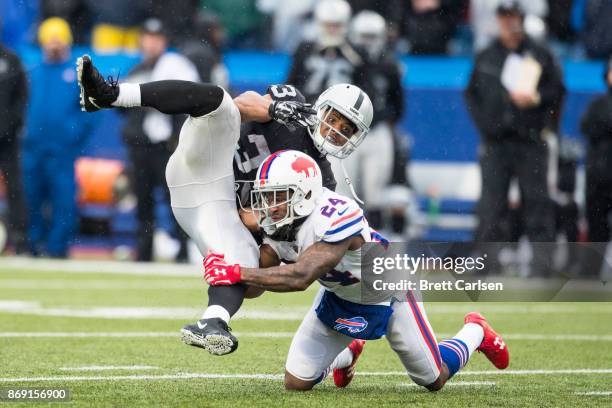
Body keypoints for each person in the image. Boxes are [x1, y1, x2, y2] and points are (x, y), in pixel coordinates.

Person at [76, 55, 371, 354]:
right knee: (219, 102)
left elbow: (264, 266)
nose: (335, 131)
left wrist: (250, 259)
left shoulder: (323, 184)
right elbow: (243, 104)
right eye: (333, 119)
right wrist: (273, 108)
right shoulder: (292, 105)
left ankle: (213, 322)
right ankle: (111, 95)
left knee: (243, 260)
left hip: (218, 211)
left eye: (346, 130)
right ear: (320, 108)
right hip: (206, 163)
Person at [202, 149, 510, 391]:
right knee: (297, 381)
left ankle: (475, 332)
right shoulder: (277, 226)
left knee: (433, 378)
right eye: (266, 196)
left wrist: (236, 272)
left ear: (305, 194)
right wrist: (235, 259)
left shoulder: (333, 216)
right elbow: (256, 288)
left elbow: (301, 277)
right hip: (340, 293)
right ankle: (349, 350)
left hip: (389, 288)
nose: (269, 206)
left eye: (278, 196)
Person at [464, 1, 565, 276]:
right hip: (496, 142)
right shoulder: (487, 55)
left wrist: (538, 102)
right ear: (498, 19)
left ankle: (543, 267)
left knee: (537, 202)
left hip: (530, 140)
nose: (510, 22)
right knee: (491, 204)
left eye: (514, 16)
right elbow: (471, 95)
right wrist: (487, 126)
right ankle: (485, 263)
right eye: (505, 16)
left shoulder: (540, 54)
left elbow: (557, 91)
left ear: (521, 17)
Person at [120, 18, 199, 262]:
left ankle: (183, 251)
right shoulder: (136, 70)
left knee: (175, 199)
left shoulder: (175, 67)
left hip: (167, 146)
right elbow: (122, 109)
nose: (152, 43)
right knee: (142, 200)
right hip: (141, 146)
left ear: (164, 42)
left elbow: (188, 101)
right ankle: (143, 251)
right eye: (148, 37)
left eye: (157, 38)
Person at [22, 17, 93, 257]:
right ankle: (32, 245)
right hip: (33, 147)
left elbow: (89, 114)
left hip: (61, 149)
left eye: (57, 39)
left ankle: (57, 248)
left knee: (63, 200)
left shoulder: (76, 75)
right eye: (49, 39)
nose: (53, 45)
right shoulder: (33, 73)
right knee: (31, 197)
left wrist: (73, 137)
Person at [330, 10, 403, 230]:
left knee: (376, 193)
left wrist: (382, 119)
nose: (367, 43)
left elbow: (398, 105)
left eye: (372, 37)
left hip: (376, 131)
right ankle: (343, 244)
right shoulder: (343, 62)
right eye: (364, 36)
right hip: (347, 131)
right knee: (342, 191)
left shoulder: (389, 65)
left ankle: (373, 247)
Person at [286, 0, 367, 102]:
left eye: (337, 25)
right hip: (307, 108)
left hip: (344, 111)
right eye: (328, 25)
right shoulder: (305, 48)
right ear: (319, 23)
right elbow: (291, 84)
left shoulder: (357, 52)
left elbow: (365, 88)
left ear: (346, 24)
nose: (332, 30)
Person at [580, 58, 612, 278]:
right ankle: (590, 274)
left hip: (600, 171)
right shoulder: (597, 104)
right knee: (597, 227)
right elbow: (587, 126)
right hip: (600, 176)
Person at [0, 39, 28, 254]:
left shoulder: (11, 60)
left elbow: (22, 97)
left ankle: (19, 238)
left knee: (15, 188)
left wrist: (11, 126)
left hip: (7, 139)